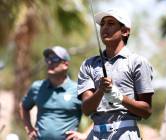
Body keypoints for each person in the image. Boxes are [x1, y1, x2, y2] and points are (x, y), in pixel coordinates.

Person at [77, 9, 155, 139]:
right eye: (102, 24)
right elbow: (86, 109)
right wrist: (101, 90)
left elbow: (146, 111)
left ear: (125, 31)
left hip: (125, 132)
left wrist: (120, 98)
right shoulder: (88, 64)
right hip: (95, 133)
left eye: (111, 23)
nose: (104, 28)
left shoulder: (137, 62)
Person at [19, 46, 86, 140]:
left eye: (54, 59)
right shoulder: (37, 87)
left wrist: (85, 135)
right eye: (47, 59)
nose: (49, 62)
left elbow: (100, 115)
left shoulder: (78, 90)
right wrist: (29, 129)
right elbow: (24, 106)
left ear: (65, 64)